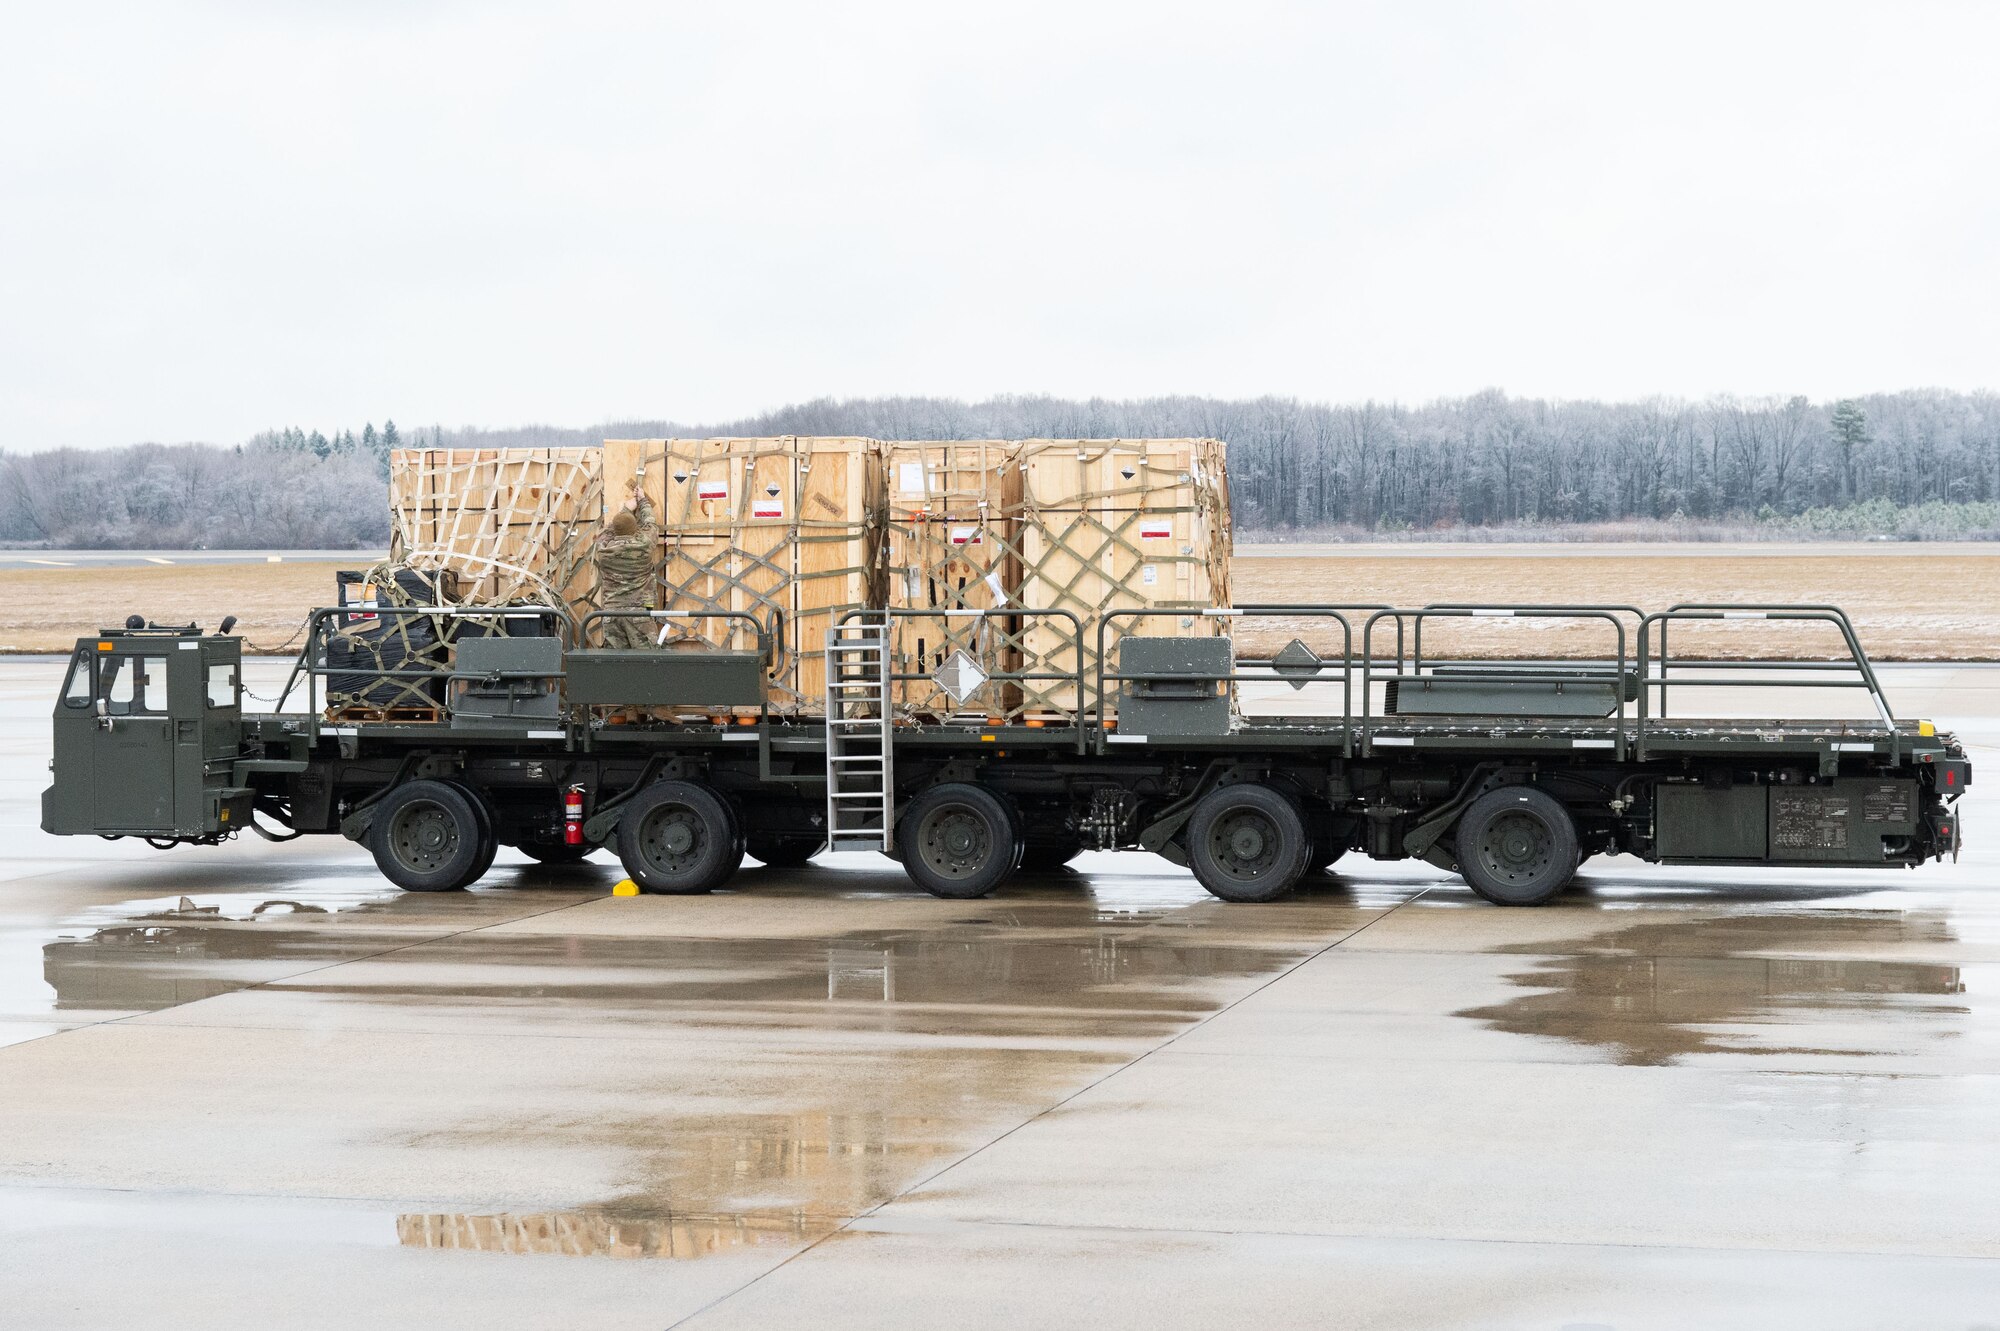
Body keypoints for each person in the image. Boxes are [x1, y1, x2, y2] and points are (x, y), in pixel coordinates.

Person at [593, 475, 658, 648]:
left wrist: (624, 511)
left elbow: (606, 533)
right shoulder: (643, 546)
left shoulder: (604, 550)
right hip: (638, 614)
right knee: (645, 661)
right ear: (635, 530)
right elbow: (651, 524)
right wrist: (642, 501)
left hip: (612, 613)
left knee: (616, 663)